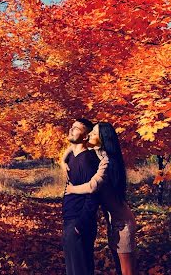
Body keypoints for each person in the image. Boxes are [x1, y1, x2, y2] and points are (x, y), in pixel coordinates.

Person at [63, 122, 137, 275]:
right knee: (118, 266)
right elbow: (72, 147)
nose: (90, 135)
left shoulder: (106, 161)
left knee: (126, 270)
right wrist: (62, 161)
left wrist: (71, 189)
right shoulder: (97, 153)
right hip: (112, 220)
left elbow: (92, 186)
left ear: (103, 139)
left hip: (122, 222)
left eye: (94, 134)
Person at [61, 118, 102, 275]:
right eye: (71, 127)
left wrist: (81, 225)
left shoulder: (88, 161)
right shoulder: (72, 156)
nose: (71, 130)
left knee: (81, 270)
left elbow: (94, 195)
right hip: (69, 219)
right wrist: (63, 161)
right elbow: (69, 150)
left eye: (76, 128)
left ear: (85, 136)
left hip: (79, 222)